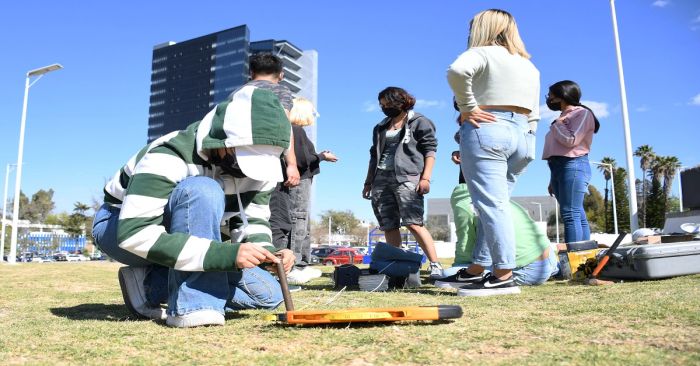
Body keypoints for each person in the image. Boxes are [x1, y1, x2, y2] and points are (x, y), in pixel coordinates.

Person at [92, 84, 295, 328]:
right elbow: (134, 233)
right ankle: (195, 307)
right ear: (222, 138)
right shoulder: (170, 152)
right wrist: (223, 254)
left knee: (268, 293)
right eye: (244, 157)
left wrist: (268, 254)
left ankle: (149, 285)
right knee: (202, 190)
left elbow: (252, 220)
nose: (245, 171)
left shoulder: (263, 171)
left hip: (193, 239)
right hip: (118, 227)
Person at [446, 8, 540, 296]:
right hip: (523, 135)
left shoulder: (482, 52)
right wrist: (530, 138)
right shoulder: (528, 64)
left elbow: (457, 71)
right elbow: (535, 111)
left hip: (489, 129)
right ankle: (479, 268)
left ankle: (502, 274)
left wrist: (468, 107)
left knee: (490, 205)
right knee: (497, 204)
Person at [362, 86, 443, 278]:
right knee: (388, 224)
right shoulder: (380, 127)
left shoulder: (420, 122)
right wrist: (368, 182)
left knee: (414, 223)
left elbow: (430, 150)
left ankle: (435, 264)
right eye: (381, 105)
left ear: (400, 102)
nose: (384, 108)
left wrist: (425, 178)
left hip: (408, 178)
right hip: (381, 179)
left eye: (387, 104)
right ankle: (395, 266)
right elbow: (374, 155)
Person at [284, 97, 338, 284]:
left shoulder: (296, 131)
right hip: (299, 182)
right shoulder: (295, 130)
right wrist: (322, 156)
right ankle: (295, 265)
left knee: (302, 221)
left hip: (302, 181)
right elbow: (301, 159)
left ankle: (301, 264)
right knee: (298, 219)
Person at [542, 80, 600, 243]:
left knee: (570, 213)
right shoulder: (562, 117)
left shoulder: (581, 113)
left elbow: (570, 140)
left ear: (562, 95)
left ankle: (573, 259)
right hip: (558, 168)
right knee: (576, 213)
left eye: (551, 95)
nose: (549, 98)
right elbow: (557, 151)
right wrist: (552, 179)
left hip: (573, 164)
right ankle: (584, 259)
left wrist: (556, 125)